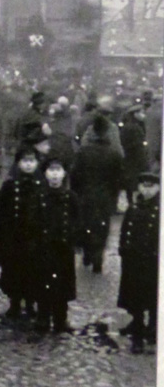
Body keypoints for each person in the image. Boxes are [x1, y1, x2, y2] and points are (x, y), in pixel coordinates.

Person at [70, 113, 123, 273]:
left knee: (86, 224)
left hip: (85, 195)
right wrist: (114, 198)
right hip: (105, 196)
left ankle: (87, 253)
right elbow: (117, 179)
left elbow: (75, 175)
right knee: (102, 227)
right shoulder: (114, 154)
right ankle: (98, 257)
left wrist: (76, 194)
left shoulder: (83, 152)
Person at [0, 143, 43, 319]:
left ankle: (31, 303)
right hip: (15, 236)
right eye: (25, 161)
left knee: (34, 270)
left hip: (35, 236)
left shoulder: (42, 184)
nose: (29, 164)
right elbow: (1, 209)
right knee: (14, 269)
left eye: (32, 161)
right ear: (18, 163)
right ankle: (14, 303)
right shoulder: (10, 185)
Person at [35, 154, 79, 334]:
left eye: (58, 171)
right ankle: (43, 318)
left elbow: (77, 220)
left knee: (62, 285)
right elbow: (33, 220)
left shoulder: (71, 197)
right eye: (51, 171)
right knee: (43, 284)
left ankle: (61, 319)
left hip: (63, 249)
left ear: (64, 174)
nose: (54, 175)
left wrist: (73, 238)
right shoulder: (39, 196)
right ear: (45, 173)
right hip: (44, 249)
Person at [117, 171, 159, 352]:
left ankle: (153, 328)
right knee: (136, 298)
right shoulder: (134, 208)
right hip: (134, 260)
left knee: (153, 298)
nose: (147, 190)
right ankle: (138, 331)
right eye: (143, 186)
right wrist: (123, 249)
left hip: (153, 261)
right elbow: (125, 230)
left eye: (151, 186)